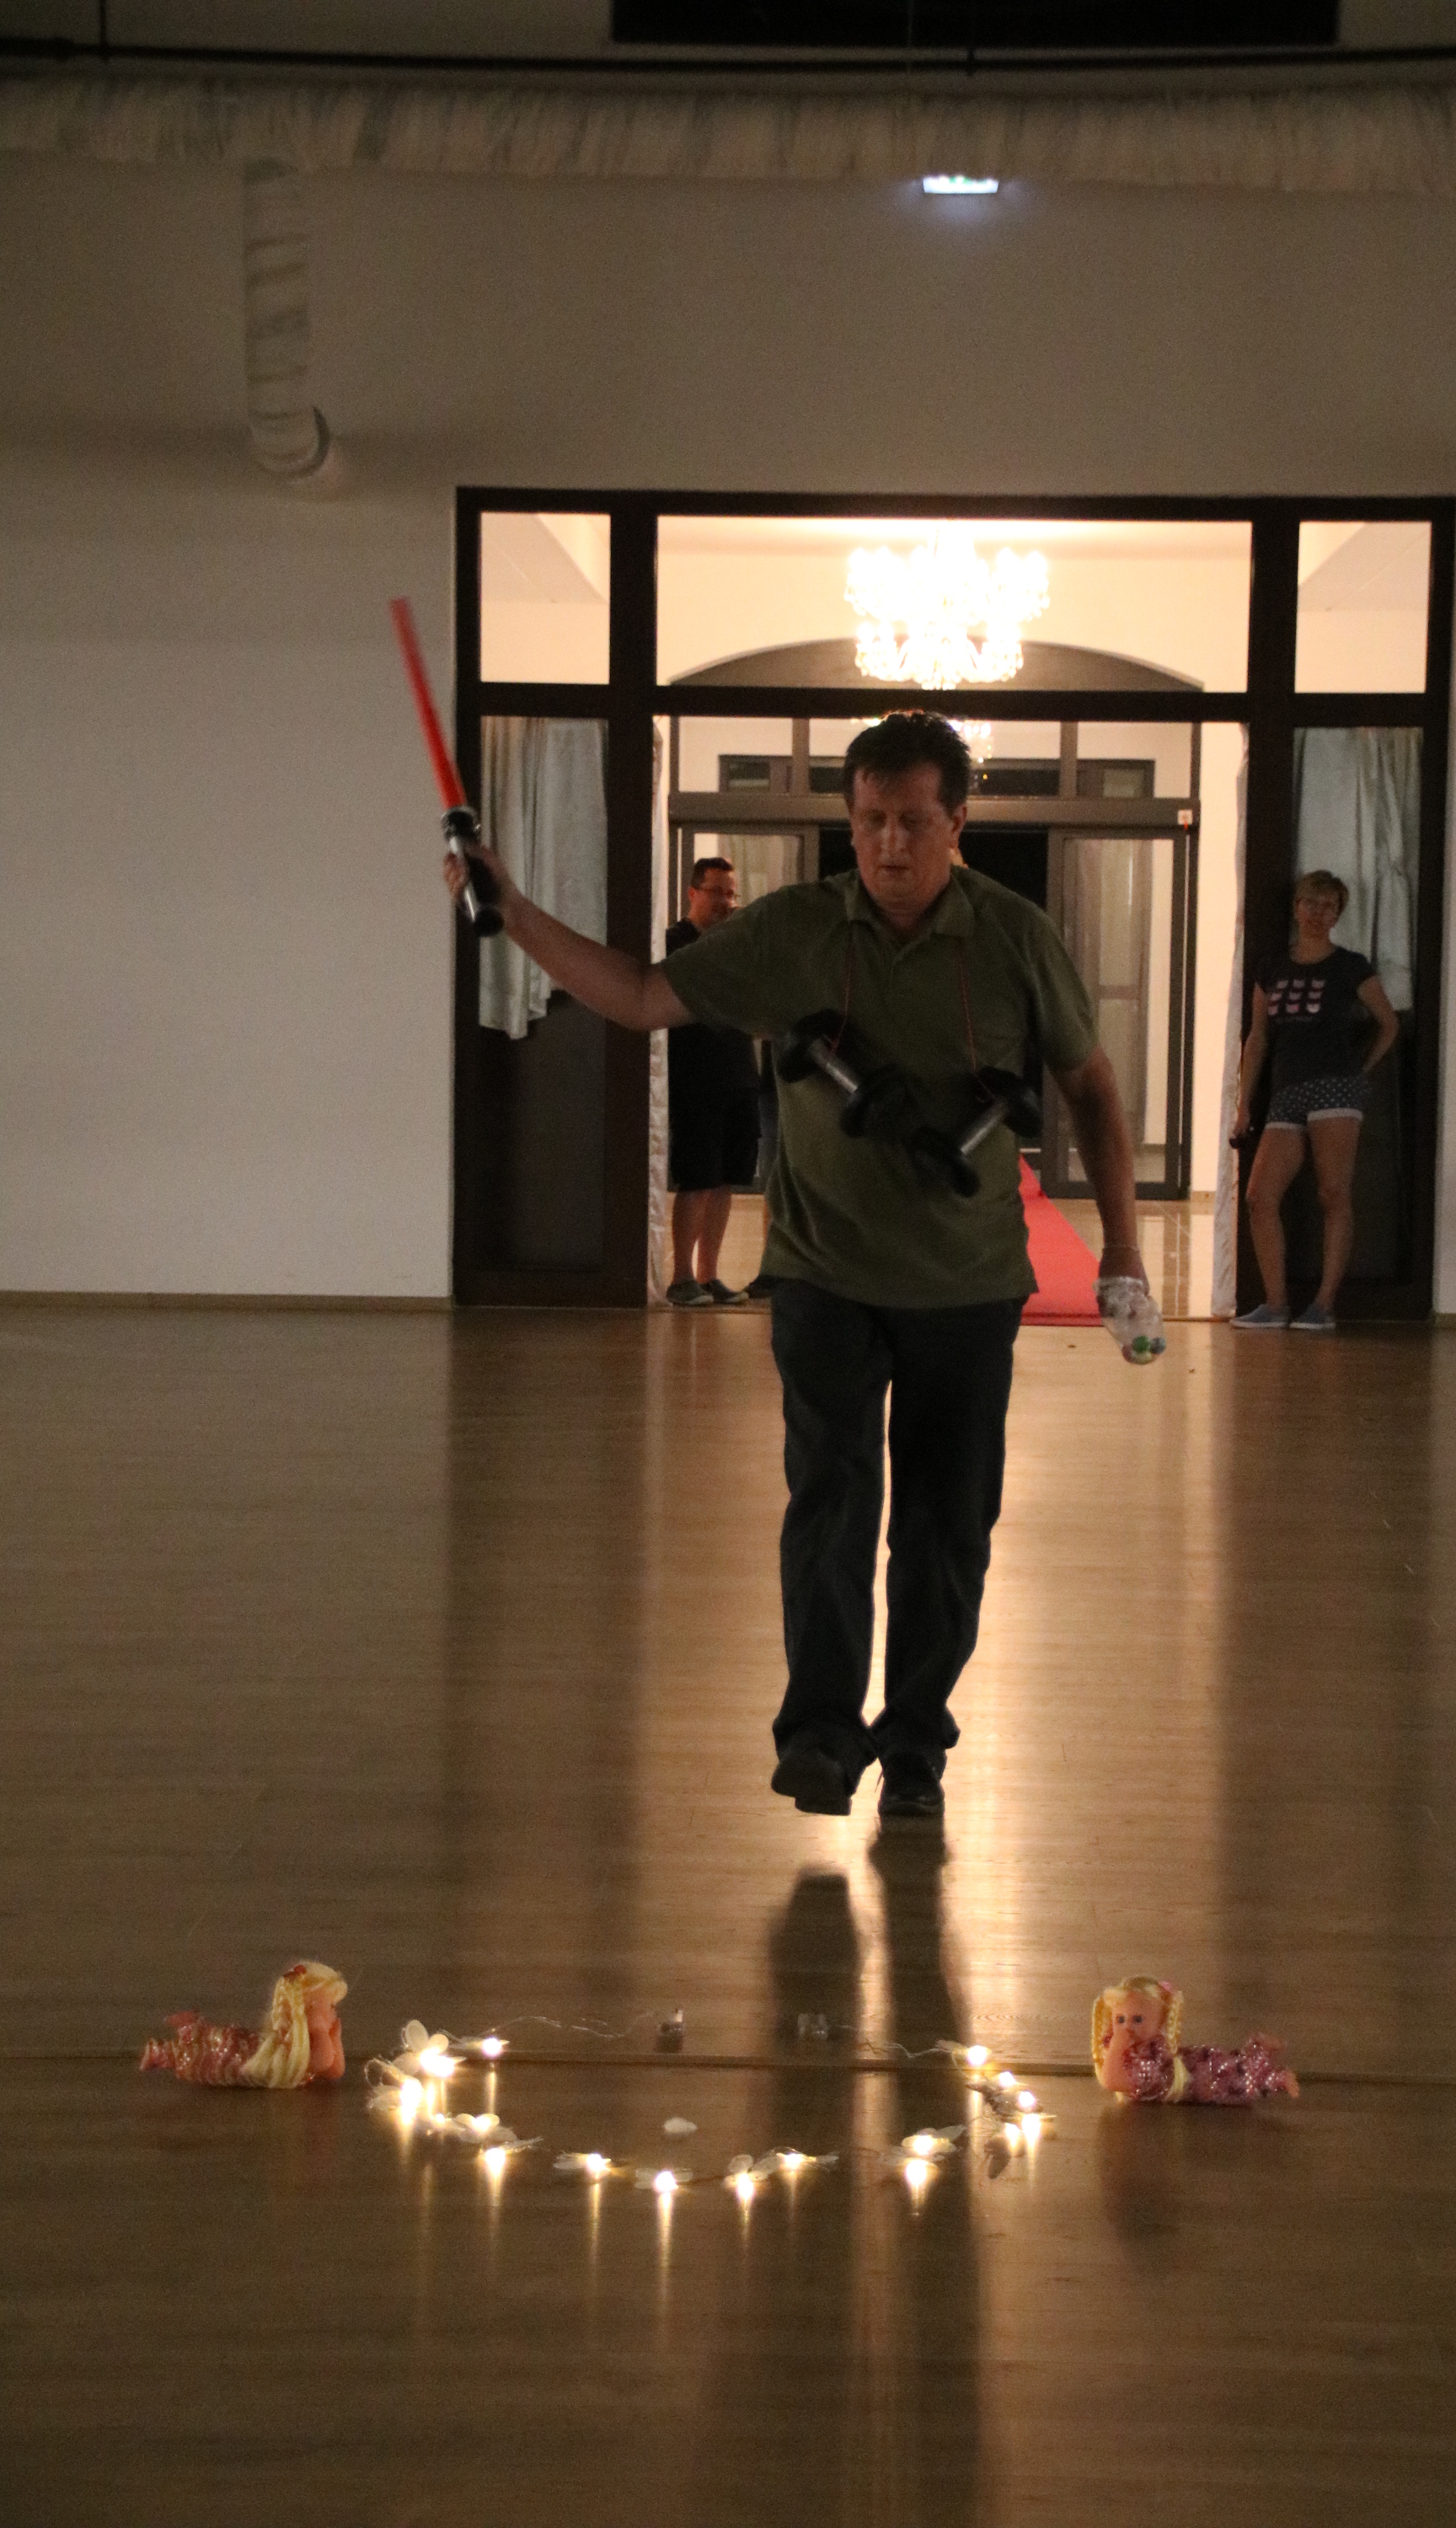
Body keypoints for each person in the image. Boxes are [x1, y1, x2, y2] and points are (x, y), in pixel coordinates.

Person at [445, 712, 1150, 1828]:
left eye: (912, 821)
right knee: (829, 1500)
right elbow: (639, 996)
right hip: (824, 1274)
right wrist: (514, 910)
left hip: (967, 1284)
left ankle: (914, 1744)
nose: (889, 845)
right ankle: (819, 1735)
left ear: (957, 822)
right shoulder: (795, 932)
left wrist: (1122, 1249)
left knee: (946, 1526)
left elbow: (1093, 1089)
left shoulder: (1014, 937)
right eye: (869, 821)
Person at [1232, 868, 1400, 1331]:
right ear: (1296, 907)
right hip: (1286, 1089)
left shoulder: (1350, 965)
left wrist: (1360, 1070)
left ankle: (1324, 1305)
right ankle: (1275, 1303)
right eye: (1310, 903)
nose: (1317, 913)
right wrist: (1245, 1103)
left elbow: (1388, 1023)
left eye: (1328, 906)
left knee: (1333, 1192)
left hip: (1336, 1088)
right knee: (1259, 1196)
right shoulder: (1271, 966)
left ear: (1338, 915)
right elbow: (1258, 1038)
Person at [664, 856, 759, 1308]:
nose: (726, 902)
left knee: (726, 1181)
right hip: (694, 1079)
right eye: (717, 891)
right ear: (693, 893)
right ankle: (681, 1277)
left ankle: (709, 1275)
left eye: (731, 893)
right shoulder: (673, 944)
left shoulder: (736, 945)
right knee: (698, 1178)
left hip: (739, 1075)